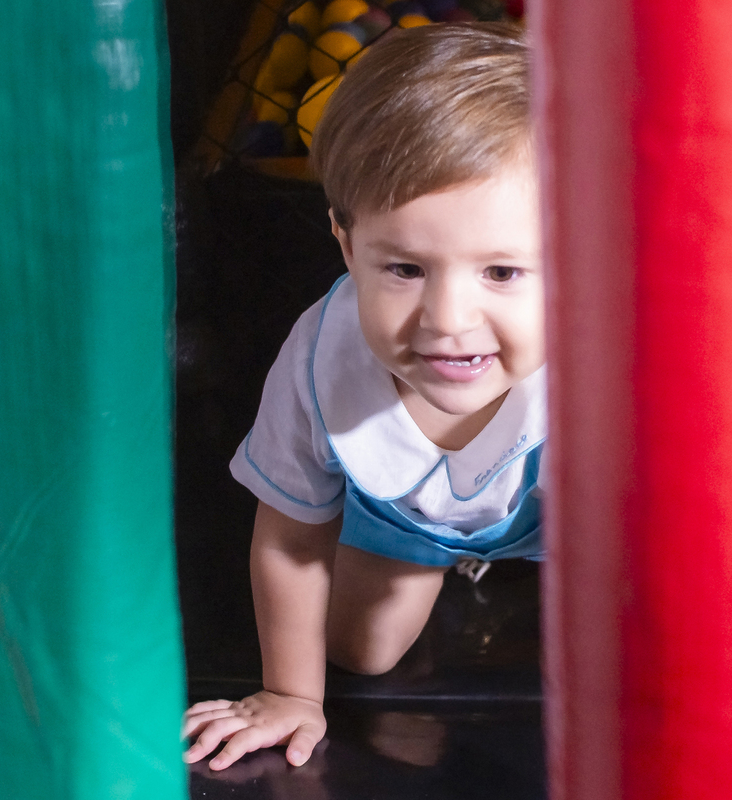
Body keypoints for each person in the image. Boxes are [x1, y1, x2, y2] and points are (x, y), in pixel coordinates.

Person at [181, 21, 545, 770]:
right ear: (348, 246)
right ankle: (451, 556)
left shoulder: (604, 355)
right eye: (405, 269)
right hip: (415, 517)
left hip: (575, 522)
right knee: (361, 653)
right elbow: (289, 536)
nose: (447, 321)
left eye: (501, 273)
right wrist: (290, 694)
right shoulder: (322, 359)